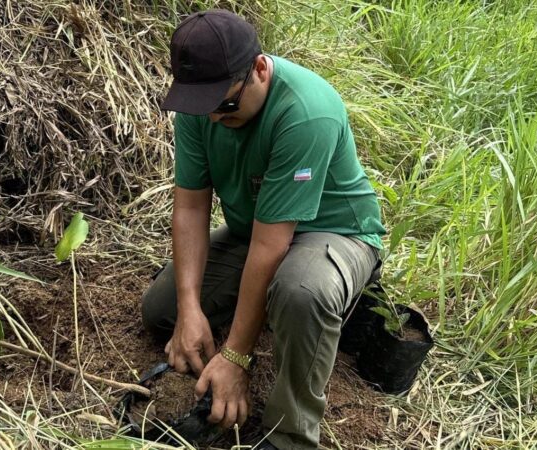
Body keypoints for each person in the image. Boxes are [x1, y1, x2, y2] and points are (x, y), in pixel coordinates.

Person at [141, 9, 386, 450]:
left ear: (259, 68)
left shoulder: (306, 113)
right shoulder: (203, 102)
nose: (215, 118)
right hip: (255, 230)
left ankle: (288, 435)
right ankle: (291, 321)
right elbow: (191, 209)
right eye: (206, 107)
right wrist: (189, 307)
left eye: (227, 105)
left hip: (334, 233)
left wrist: (236, 356)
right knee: (161, 311)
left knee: (301, 292)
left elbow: (272, 245)